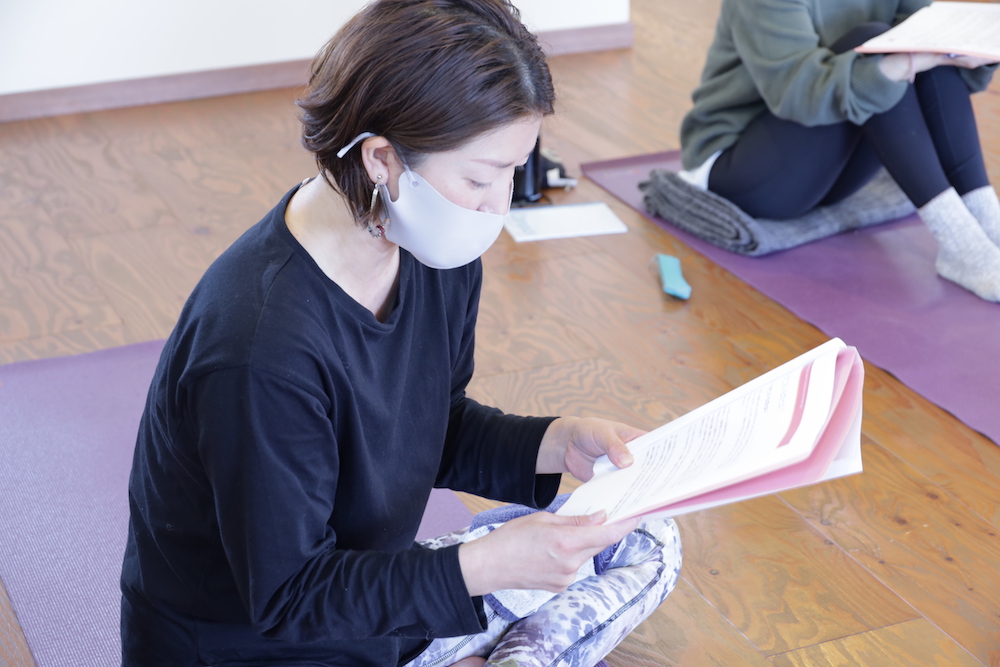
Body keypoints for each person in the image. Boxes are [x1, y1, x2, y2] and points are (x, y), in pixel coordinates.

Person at [119, 1, 682, 665]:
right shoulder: (260, 348)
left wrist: (555, 443)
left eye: (515, 171)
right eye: (480, 177)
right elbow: (287, 598)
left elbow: (428, 426)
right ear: (382, 160)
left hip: (367, 599)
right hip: (255, 644)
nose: (498, 204)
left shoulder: (433, 248)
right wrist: (482, 567)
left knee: (645, 539)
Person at [679, 0, 1000, 301]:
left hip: (826, 169)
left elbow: (936, 73)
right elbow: (797, 94)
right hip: (741, 171)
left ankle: (987, 221)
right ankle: (960, 243)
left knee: (926, 40)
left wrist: (974, 49)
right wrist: (904, 63)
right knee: (875, 43)